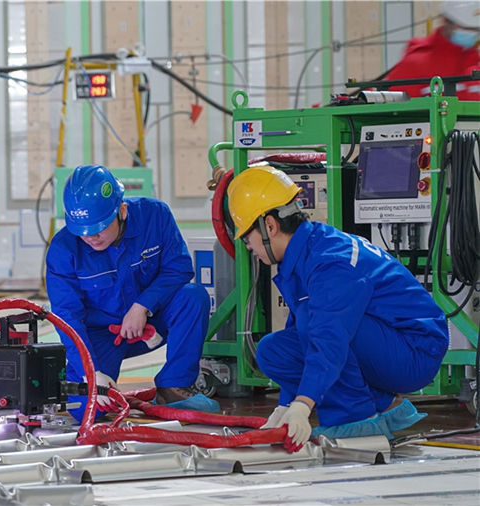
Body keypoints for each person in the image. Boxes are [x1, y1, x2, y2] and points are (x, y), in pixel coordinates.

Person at [226, 166, 449, 447]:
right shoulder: (306, 252)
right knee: (273, 349)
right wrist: (285, 405)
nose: (248, 246)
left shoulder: (329, 261)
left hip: (414, 351)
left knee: (318, 327)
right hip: (384, 341)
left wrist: (304, 405)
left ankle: (355, 420)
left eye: (247, 237)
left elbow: (328, 338)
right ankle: (386, 405)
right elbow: (301, 338)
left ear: (270, 226)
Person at [45, 164, 215, 421]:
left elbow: (178, 269)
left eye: (99, 228)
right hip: (100, 337)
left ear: (121, 210)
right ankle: (94, 382)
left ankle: (174, 386)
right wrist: (90, 372)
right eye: (83, 231)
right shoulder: (63, 249)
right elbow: (68, 317)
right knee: (87, 410)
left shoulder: (155, 216)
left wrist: (143, 306)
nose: (91, 237)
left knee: (193, 297)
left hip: (151, 322)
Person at [384, 0, 479, 101]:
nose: (472, 33)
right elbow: (396, 111)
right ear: (446, 21)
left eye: (476, 29)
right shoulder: (416, 63)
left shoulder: (475, 61)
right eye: (466, 28)